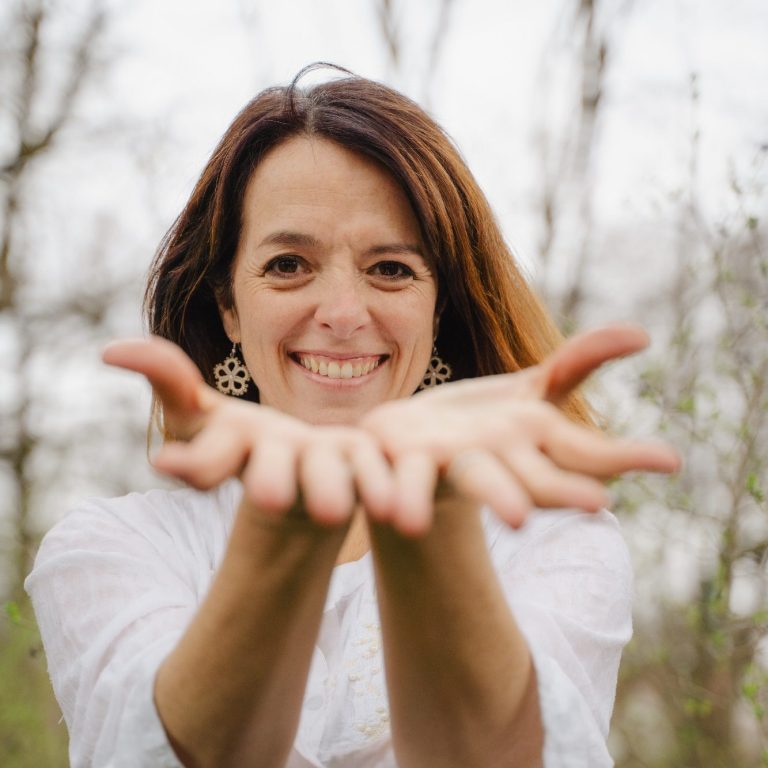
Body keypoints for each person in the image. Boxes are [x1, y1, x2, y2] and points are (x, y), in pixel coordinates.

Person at [26, 66, 678, 768]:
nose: (341, 313)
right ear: (228, 306)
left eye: (391, 269)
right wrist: (288, 522)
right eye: (288, 264)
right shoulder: (109, 548)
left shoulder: (554, 541)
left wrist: (430, 515)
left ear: (440, 309)